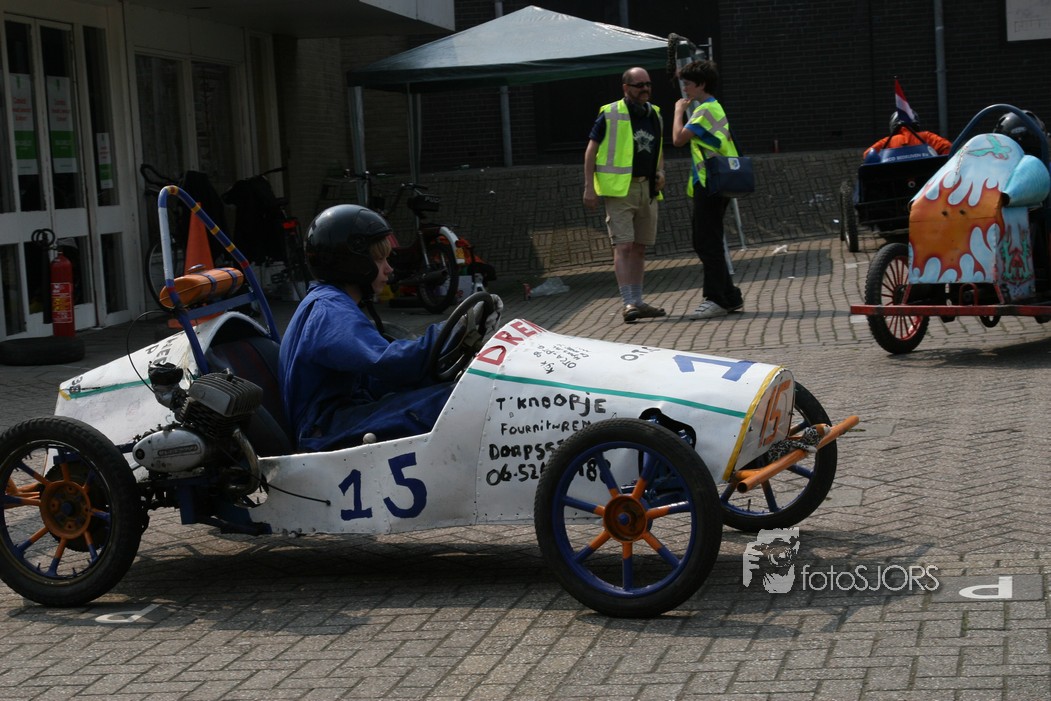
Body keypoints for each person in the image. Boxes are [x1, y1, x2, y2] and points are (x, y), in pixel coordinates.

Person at [278, 204, 502, 452]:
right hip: (325, 430)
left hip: (338, 416)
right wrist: (455, 329)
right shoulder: (329, 311)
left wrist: (452, 349)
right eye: (379, 259)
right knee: (457, 402)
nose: (389, 268)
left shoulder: (328, 302)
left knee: (451, 391)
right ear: (355, 263)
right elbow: (389, 362)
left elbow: (375, 377)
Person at [583, 67, 667, 324]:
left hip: (647, 189)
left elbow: (658, 149)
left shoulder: (655, 114)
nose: (645, 89)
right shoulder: (610, 113)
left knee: (640, 247)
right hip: (620, 190)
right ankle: (628, 302)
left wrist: (661, 171)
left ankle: (638, 301)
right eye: (639, 85)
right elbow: (590, 151)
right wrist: (589, 187)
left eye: (648, 84)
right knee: (624, 245)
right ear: (626, 88)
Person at [672, 59, 744, 320]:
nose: (685, 89)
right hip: (714, 183)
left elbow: (677, 139)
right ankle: (730, 297)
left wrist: (678, 111)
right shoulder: (714, 107)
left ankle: (715, 298)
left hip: (711, 184)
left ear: (701, 84)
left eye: (688, 84)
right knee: (707, 240)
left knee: (706, 242)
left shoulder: (704, 111)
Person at [862, 111, 952, 161]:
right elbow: (948, 147)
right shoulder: (926, 136)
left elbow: (868, 155)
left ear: (893, 125)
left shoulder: (887, 141)